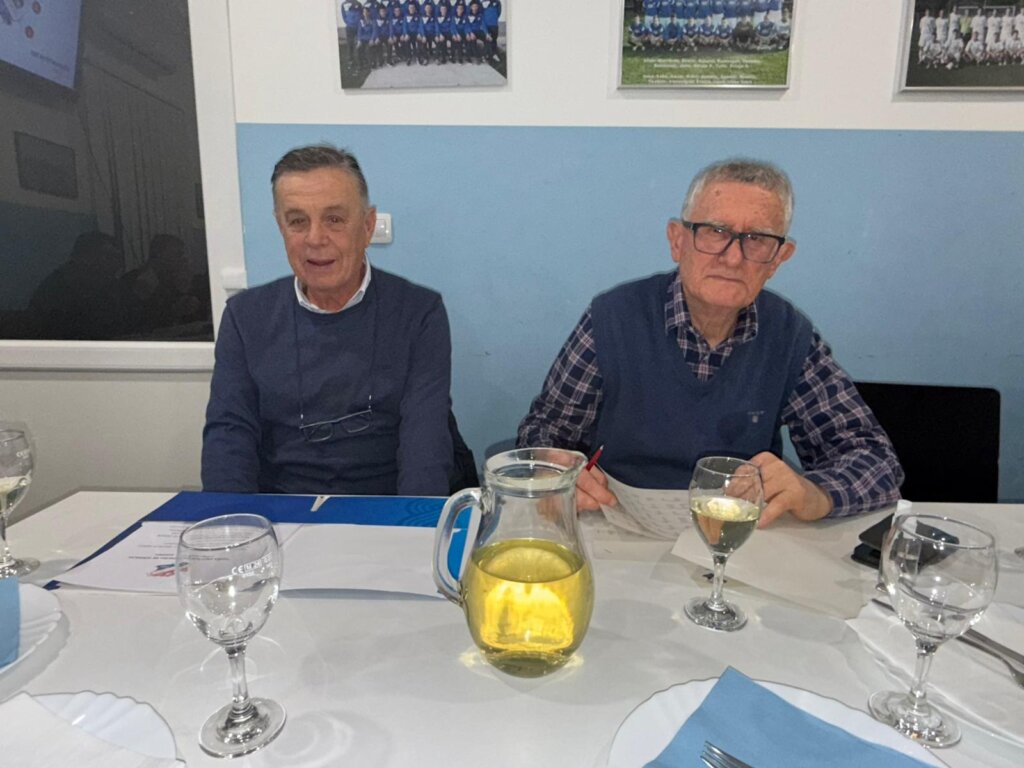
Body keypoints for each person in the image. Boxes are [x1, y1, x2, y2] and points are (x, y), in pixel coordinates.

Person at [517, 159, 904, 528]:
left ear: (778, 258)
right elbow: (546, 430)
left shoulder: (789, 335)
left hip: (737, 531)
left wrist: (813, 494)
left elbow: (874, 461)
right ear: (678, 241)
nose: (733, 258)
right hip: (616, 524)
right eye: (715, 232)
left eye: (757, 240)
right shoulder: (613, 318)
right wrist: (554, 469)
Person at [202, 145, 460, 497]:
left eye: (334, 219)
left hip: (385, 505)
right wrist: (233, 522)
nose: (315, 239)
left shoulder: (419, 313)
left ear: (367, 226)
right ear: (281, 227)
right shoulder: (244, 317)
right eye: (297, 221)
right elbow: (229, 438)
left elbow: (425, 443)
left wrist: (412, 523)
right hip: (282, 510)